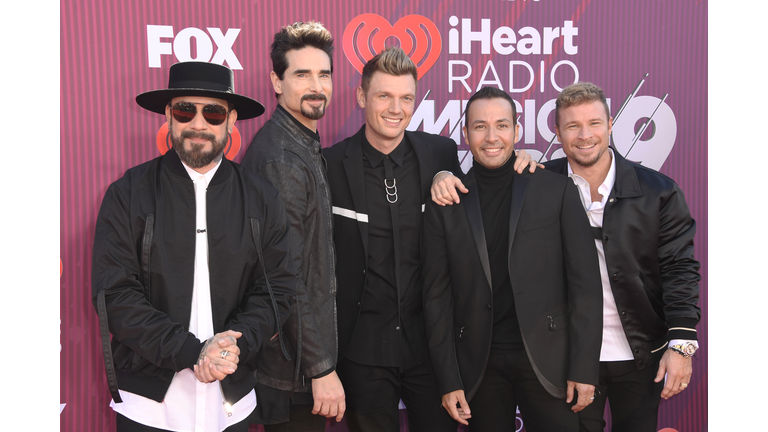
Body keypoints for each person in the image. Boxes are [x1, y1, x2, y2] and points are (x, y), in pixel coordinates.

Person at [322, 47, 535, 432]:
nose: (395, 108)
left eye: (406, 98)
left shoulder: (441, 153)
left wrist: (525, 161)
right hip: (362, 348)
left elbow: (483, 189)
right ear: (360, 96)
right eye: (384, 96)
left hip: (433, 348)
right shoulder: (331, 164)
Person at [91, 61, 296, 432]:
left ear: (232, 120)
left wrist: (235, 345)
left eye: (213, 112)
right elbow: (115, 295)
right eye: (186, 110)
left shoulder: (261, 198)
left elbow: (277, 289)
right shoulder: (128, 193)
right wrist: (193, 352)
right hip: (148, 408)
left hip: (231, 403)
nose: (198, 124)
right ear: (169, 116)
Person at [422, 86, 603, 432]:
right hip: (480, 366)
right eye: (480, 126)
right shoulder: (447, 204)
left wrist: (583, 368)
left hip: (551, 363)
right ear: (465, 133)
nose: (492, 137)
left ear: (517, 131)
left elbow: (585, 285)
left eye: (502, 125)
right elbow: (435, 299)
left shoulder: (556, 190)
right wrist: (448, 379)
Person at [547, 82, 701, 432]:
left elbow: (680, 269)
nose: (585, 135)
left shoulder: (658, 191)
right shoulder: (540, 185)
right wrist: (443, 175)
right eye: (572, 126)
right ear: (557, 132)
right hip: (569, 357)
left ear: (611, 123)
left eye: (594, 123)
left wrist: (681, 345)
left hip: (642, 353)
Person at [241, 21, 345, 430]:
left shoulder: (301, 142)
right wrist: (320, 368)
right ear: (276, 82)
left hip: (298, 364)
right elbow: (284, 277)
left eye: (323, 74)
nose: (316, 85)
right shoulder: (282, 158)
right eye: (301, 74)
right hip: (292, 372)